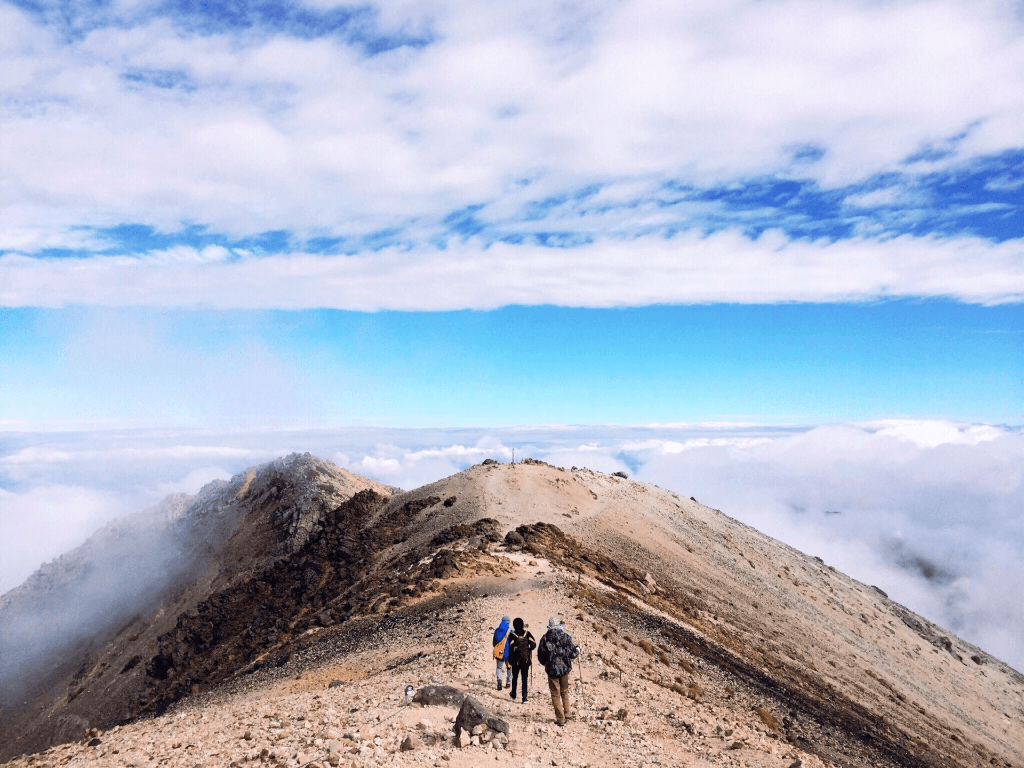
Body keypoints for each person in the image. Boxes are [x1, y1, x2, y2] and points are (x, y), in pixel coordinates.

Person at [536, 616, 579, 725]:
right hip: (564, 669)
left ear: (549, 626)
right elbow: (572, 654)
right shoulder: (566, 637)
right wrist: (578, 650)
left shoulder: (545, 639)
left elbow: (541, 656)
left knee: (555, 694)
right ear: (559, 625)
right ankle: (567, 714)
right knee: (564, 691)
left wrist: (547, 663)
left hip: (552, 670)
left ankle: (560, 719)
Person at [508, 617, 536, 703]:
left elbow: (510, 649)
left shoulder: (512, 635)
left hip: (516, 661)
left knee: (515, 677)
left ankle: (513, 694)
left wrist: (510, 661)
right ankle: (524, 698)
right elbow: (534, 645)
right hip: (525, 660)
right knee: (524, 678)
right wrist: (528, 649)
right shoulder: (527, 634)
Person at [492, 615, 513, 690]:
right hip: (508, 653)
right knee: (509, 667)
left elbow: (494, 643)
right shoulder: (511, 631)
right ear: (508, 622)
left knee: (499, 667)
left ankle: (499, 681)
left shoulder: (497, 630)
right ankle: (508, 683)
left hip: (499, 652)